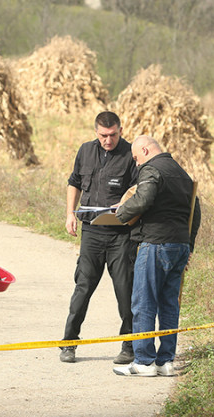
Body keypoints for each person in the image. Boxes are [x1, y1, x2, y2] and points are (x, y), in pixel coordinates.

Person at [112, 136, 201, 377]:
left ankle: (143, 362)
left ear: (145, 150)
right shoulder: (181, 173)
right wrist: (188, 244)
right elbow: (196, 210)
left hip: (155, 244)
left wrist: (120, 213)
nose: (136, 163)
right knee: (169, 304)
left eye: (136, 158)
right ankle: (165, 362)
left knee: (144, 302)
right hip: (179, 246)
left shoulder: (152, 169)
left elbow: (145, 198)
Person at [61, 111, 139, 364]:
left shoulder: (130, 155)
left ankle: (129, 345)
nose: (108, 140)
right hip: (92, 232)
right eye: (103, 135)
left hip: (121, 235)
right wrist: (70, 214)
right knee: (82, 288)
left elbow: (140, 191)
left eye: (113, 135)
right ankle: (69, 343)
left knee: (125, 291)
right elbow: (74, 182)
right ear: (96, 132)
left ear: (120, 130)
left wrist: (125, 206)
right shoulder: (85, 151)